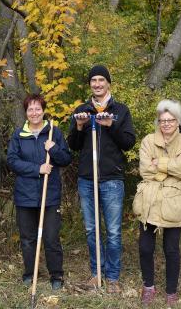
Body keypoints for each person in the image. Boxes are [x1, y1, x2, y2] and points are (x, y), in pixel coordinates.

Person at [67, 65, 136, 293]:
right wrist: (78, 126)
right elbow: (73, 146)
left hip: (111, 179)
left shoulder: (121, 110)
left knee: (114, 231)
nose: (97, 84)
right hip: (87, 179)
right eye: (93, 80)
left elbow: (128, 142)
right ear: (90, 84)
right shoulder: (82, 110)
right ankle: (96, 274)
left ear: (108, 83)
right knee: (91, 229)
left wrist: (111, 126)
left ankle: (113, 277)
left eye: (101, 80)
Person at [134, 99, 181, 305]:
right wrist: (171, 167)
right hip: (149, 200)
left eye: (171, 120)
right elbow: (145, 170)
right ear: (158, 122)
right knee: (145, 247)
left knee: (171, 249)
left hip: (173, 201)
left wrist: (159, 163)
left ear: (178, 122)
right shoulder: (148, 141)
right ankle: (148, 286)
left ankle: (171, 291)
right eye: (162, 120)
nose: (166, 124)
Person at [7, 94, 72, 290]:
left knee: (51, 238)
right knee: (28, 239)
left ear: (43, 111)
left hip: (49, 195)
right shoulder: (19, 135)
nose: (34, 113)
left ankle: (56, 275)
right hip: (25, 196)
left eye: (37, 109)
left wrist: (53, 150)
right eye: (30, 109)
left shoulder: (53, 132)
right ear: (26, 112)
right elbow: (12, 161)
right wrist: (37, 169)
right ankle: (30, 272)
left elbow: (66, 159)